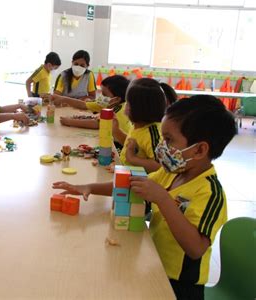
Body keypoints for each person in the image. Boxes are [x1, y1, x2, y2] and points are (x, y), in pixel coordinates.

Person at [52, 95, 237, 300]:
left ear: (200, 149)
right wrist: (88, 187)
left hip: (180, 286)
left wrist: (163, 199)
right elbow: (131, 185)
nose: (162, 147)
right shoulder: (172, 171)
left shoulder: (210, 193)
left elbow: (195, 249)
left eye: (168, 140)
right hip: (153, 264)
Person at [51, 76, 131, 142]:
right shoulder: (108, 103)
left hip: (119, 146)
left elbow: (97, 124)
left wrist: (70, 122)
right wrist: (63, 99)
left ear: (116, 99)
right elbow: (83, 105)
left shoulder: (121, 111)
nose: (101, 97)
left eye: (104, 95)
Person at [118, 78, 166, 173]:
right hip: (125, 174)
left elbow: (160, 167)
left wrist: (132, 158)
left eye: (128, 104)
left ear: (140, 109)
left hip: (138, 182)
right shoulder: (137, 125)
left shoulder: (152, 134)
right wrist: (116, 130)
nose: (124, 107)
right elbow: (131, 146)